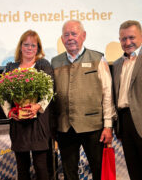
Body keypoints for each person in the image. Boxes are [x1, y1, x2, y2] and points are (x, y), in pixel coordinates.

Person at [51, 20, 116, 180]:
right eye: (66, 35)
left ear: (83, 36)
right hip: (65, 127)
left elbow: (107, 93)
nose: (70, 38)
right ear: (62, 38)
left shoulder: (98, 58)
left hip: (94, 127)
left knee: (99, 171)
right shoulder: (55, 62)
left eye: (74, 34)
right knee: (69, 173)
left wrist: (108, 125)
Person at [112, 20, 142, 180]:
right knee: (135, 172)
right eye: (123, 39)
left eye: (131, 37)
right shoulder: (118, 63)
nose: (128, 42)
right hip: (125, 124)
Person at [1, 30, 54, 180]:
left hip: (39, 123)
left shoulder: (43, 65)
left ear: (38, 48)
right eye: (26, 45)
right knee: (22, 168)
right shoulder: (11, 67)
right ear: (21, 47)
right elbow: (3, 94)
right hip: (18, 124)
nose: (29, 48)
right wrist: (9, 112)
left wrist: (37, 106)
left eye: (33, 45)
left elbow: (50, 90)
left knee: (41, 167)